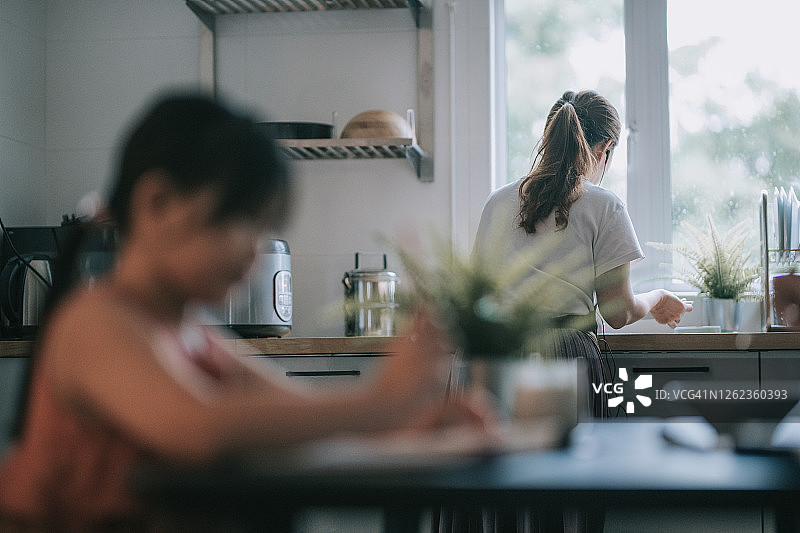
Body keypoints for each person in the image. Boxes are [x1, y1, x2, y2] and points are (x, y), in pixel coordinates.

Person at [0, 93, 490, 531]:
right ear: (158, 204)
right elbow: (200, 428)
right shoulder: (95, 322)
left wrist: (409, 426)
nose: (257, 250)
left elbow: (294, 415)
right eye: (244, 221)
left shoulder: (194, 334)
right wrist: (381, 402)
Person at [474, 90, 692, 419]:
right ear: (605, 148)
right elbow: (618, 313)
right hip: (566, 357)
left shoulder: (497, 201)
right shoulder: (604, 205)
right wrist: (658, 298)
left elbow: (478, 296)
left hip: (500, 356)